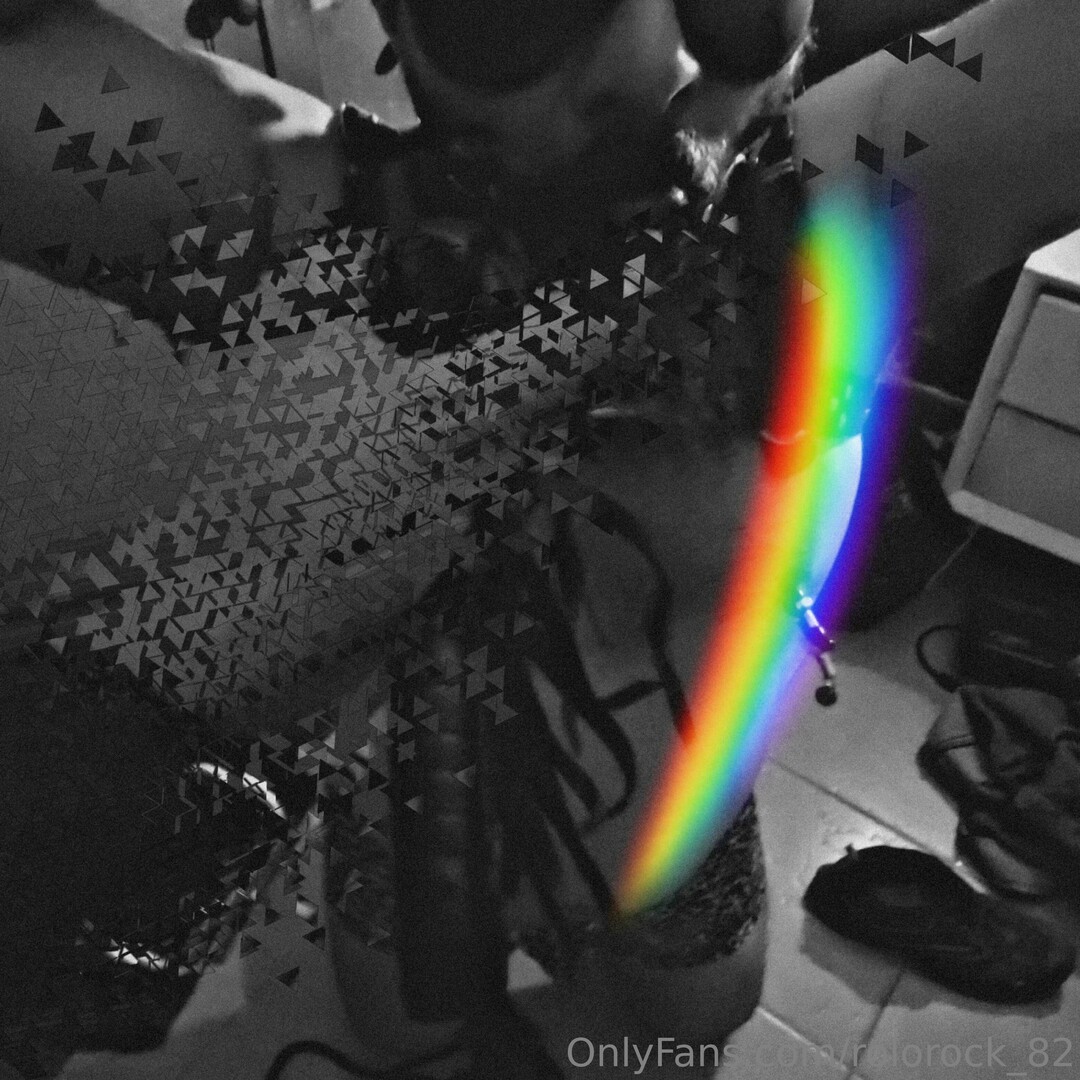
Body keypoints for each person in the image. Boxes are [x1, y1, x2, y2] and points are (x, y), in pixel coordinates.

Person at [4, 1, 1080, 1076]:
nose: (664, 61)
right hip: (415, 829)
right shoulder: (296, 217)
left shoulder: (830, 214)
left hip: (680, 846)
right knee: (406, 1033)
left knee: (685, 1027)